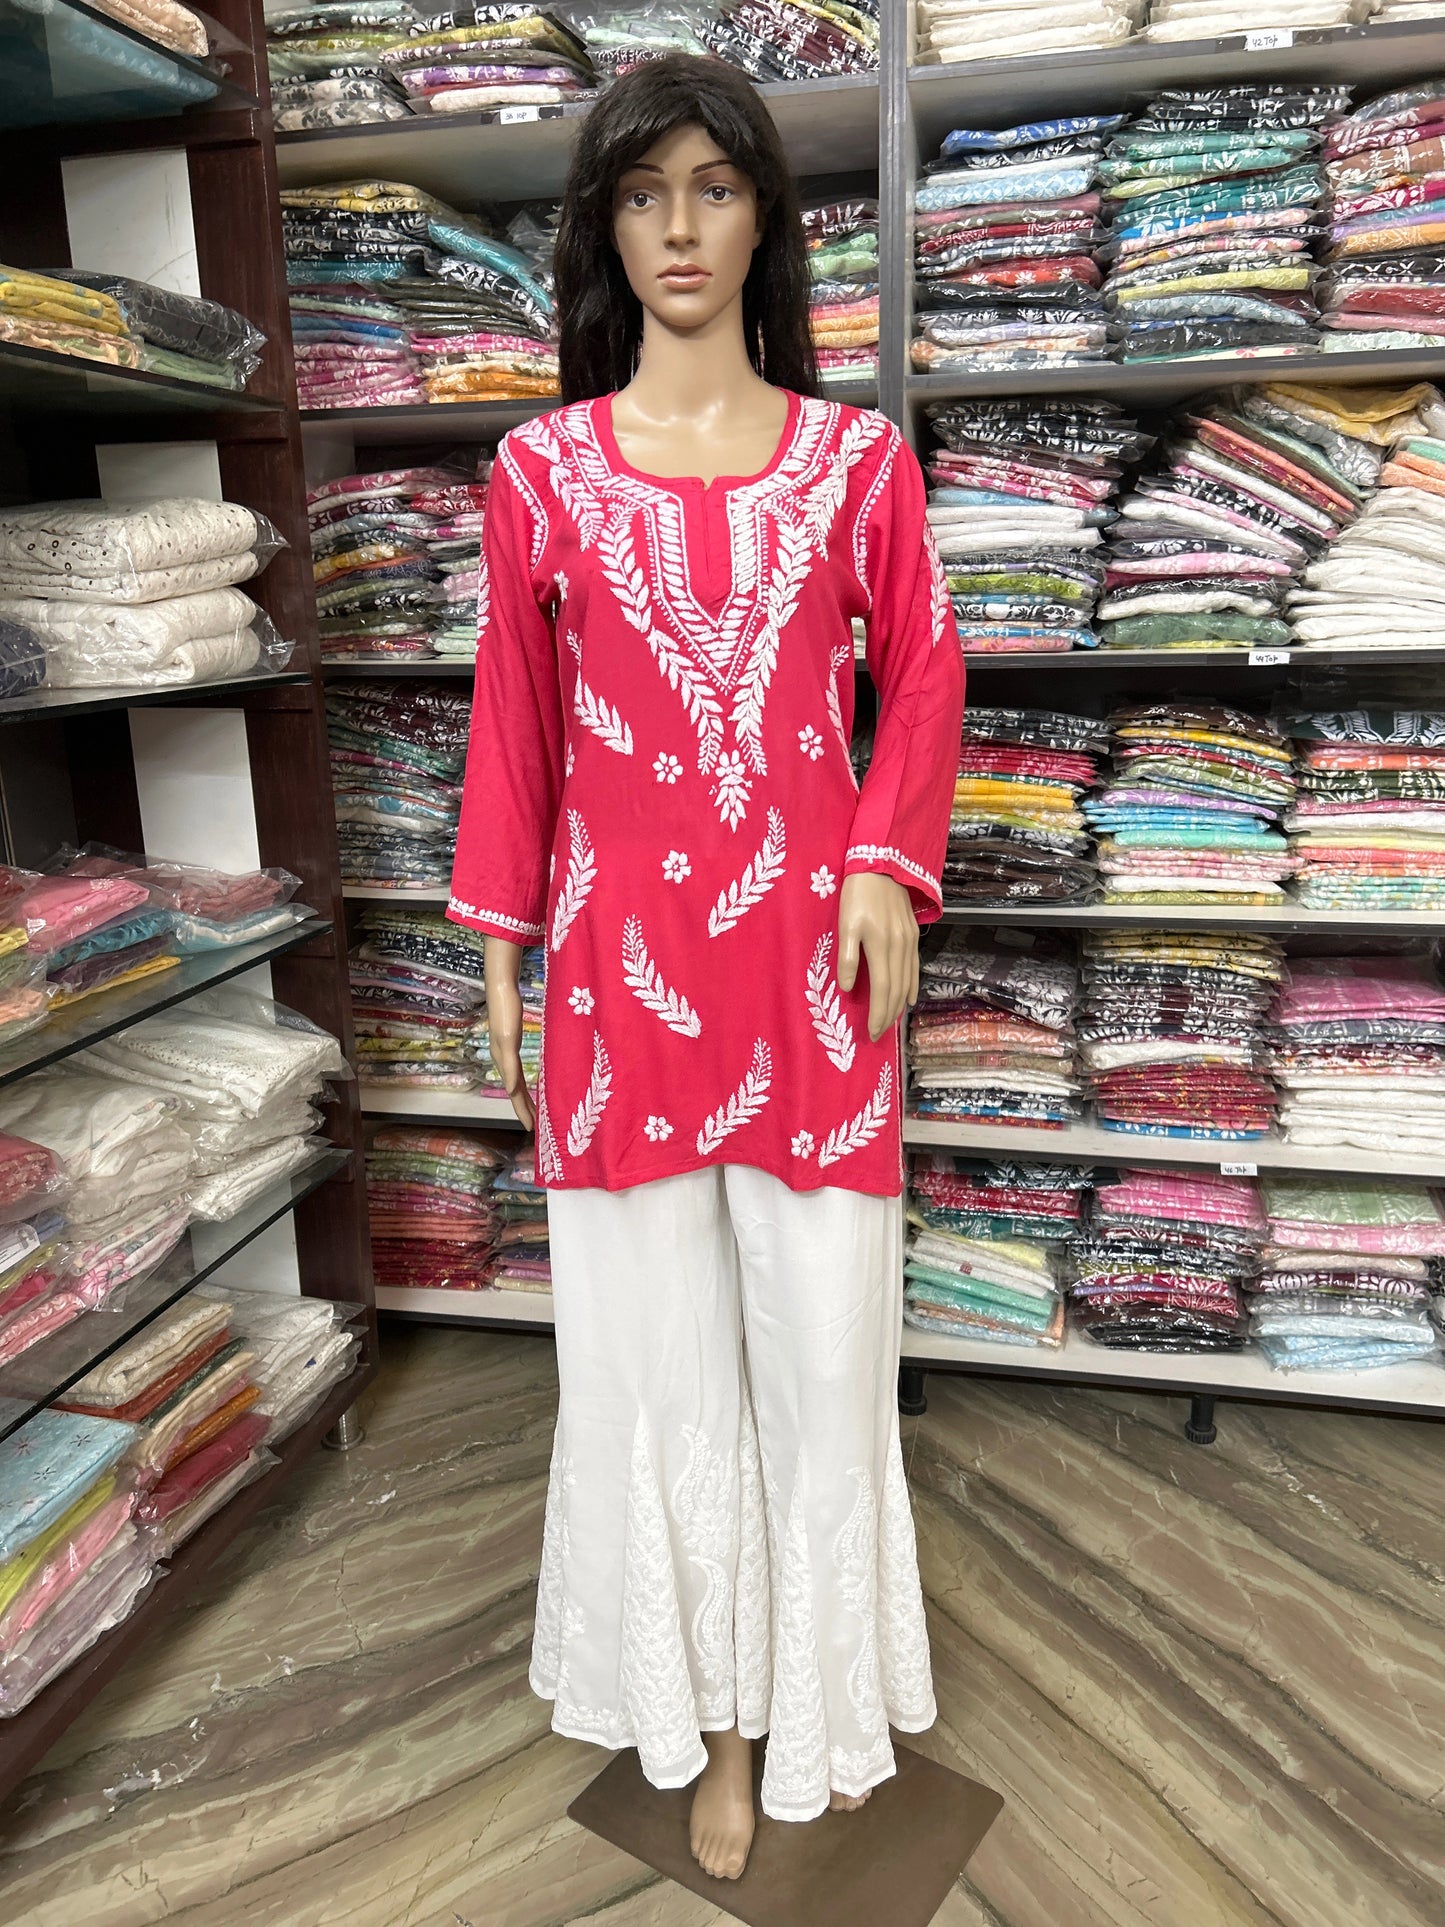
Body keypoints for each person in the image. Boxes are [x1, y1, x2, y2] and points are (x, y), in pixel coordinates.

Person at [447, 52, 965, 1883]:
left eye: (715, 187)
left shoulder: (853, 464)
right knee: (659, 1373)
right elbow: (514, 728)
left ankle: (814, 1707)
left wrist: (891, 862)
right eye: (643, 191)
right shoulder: (537, 473)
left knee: (818, 1360)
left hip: (814, 990)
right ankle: (712, 1729)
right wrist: (499, 940)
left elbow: (924, 674)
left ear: (765, 215)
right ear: (604, 223)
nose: (679, 226)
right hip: (610, 994)